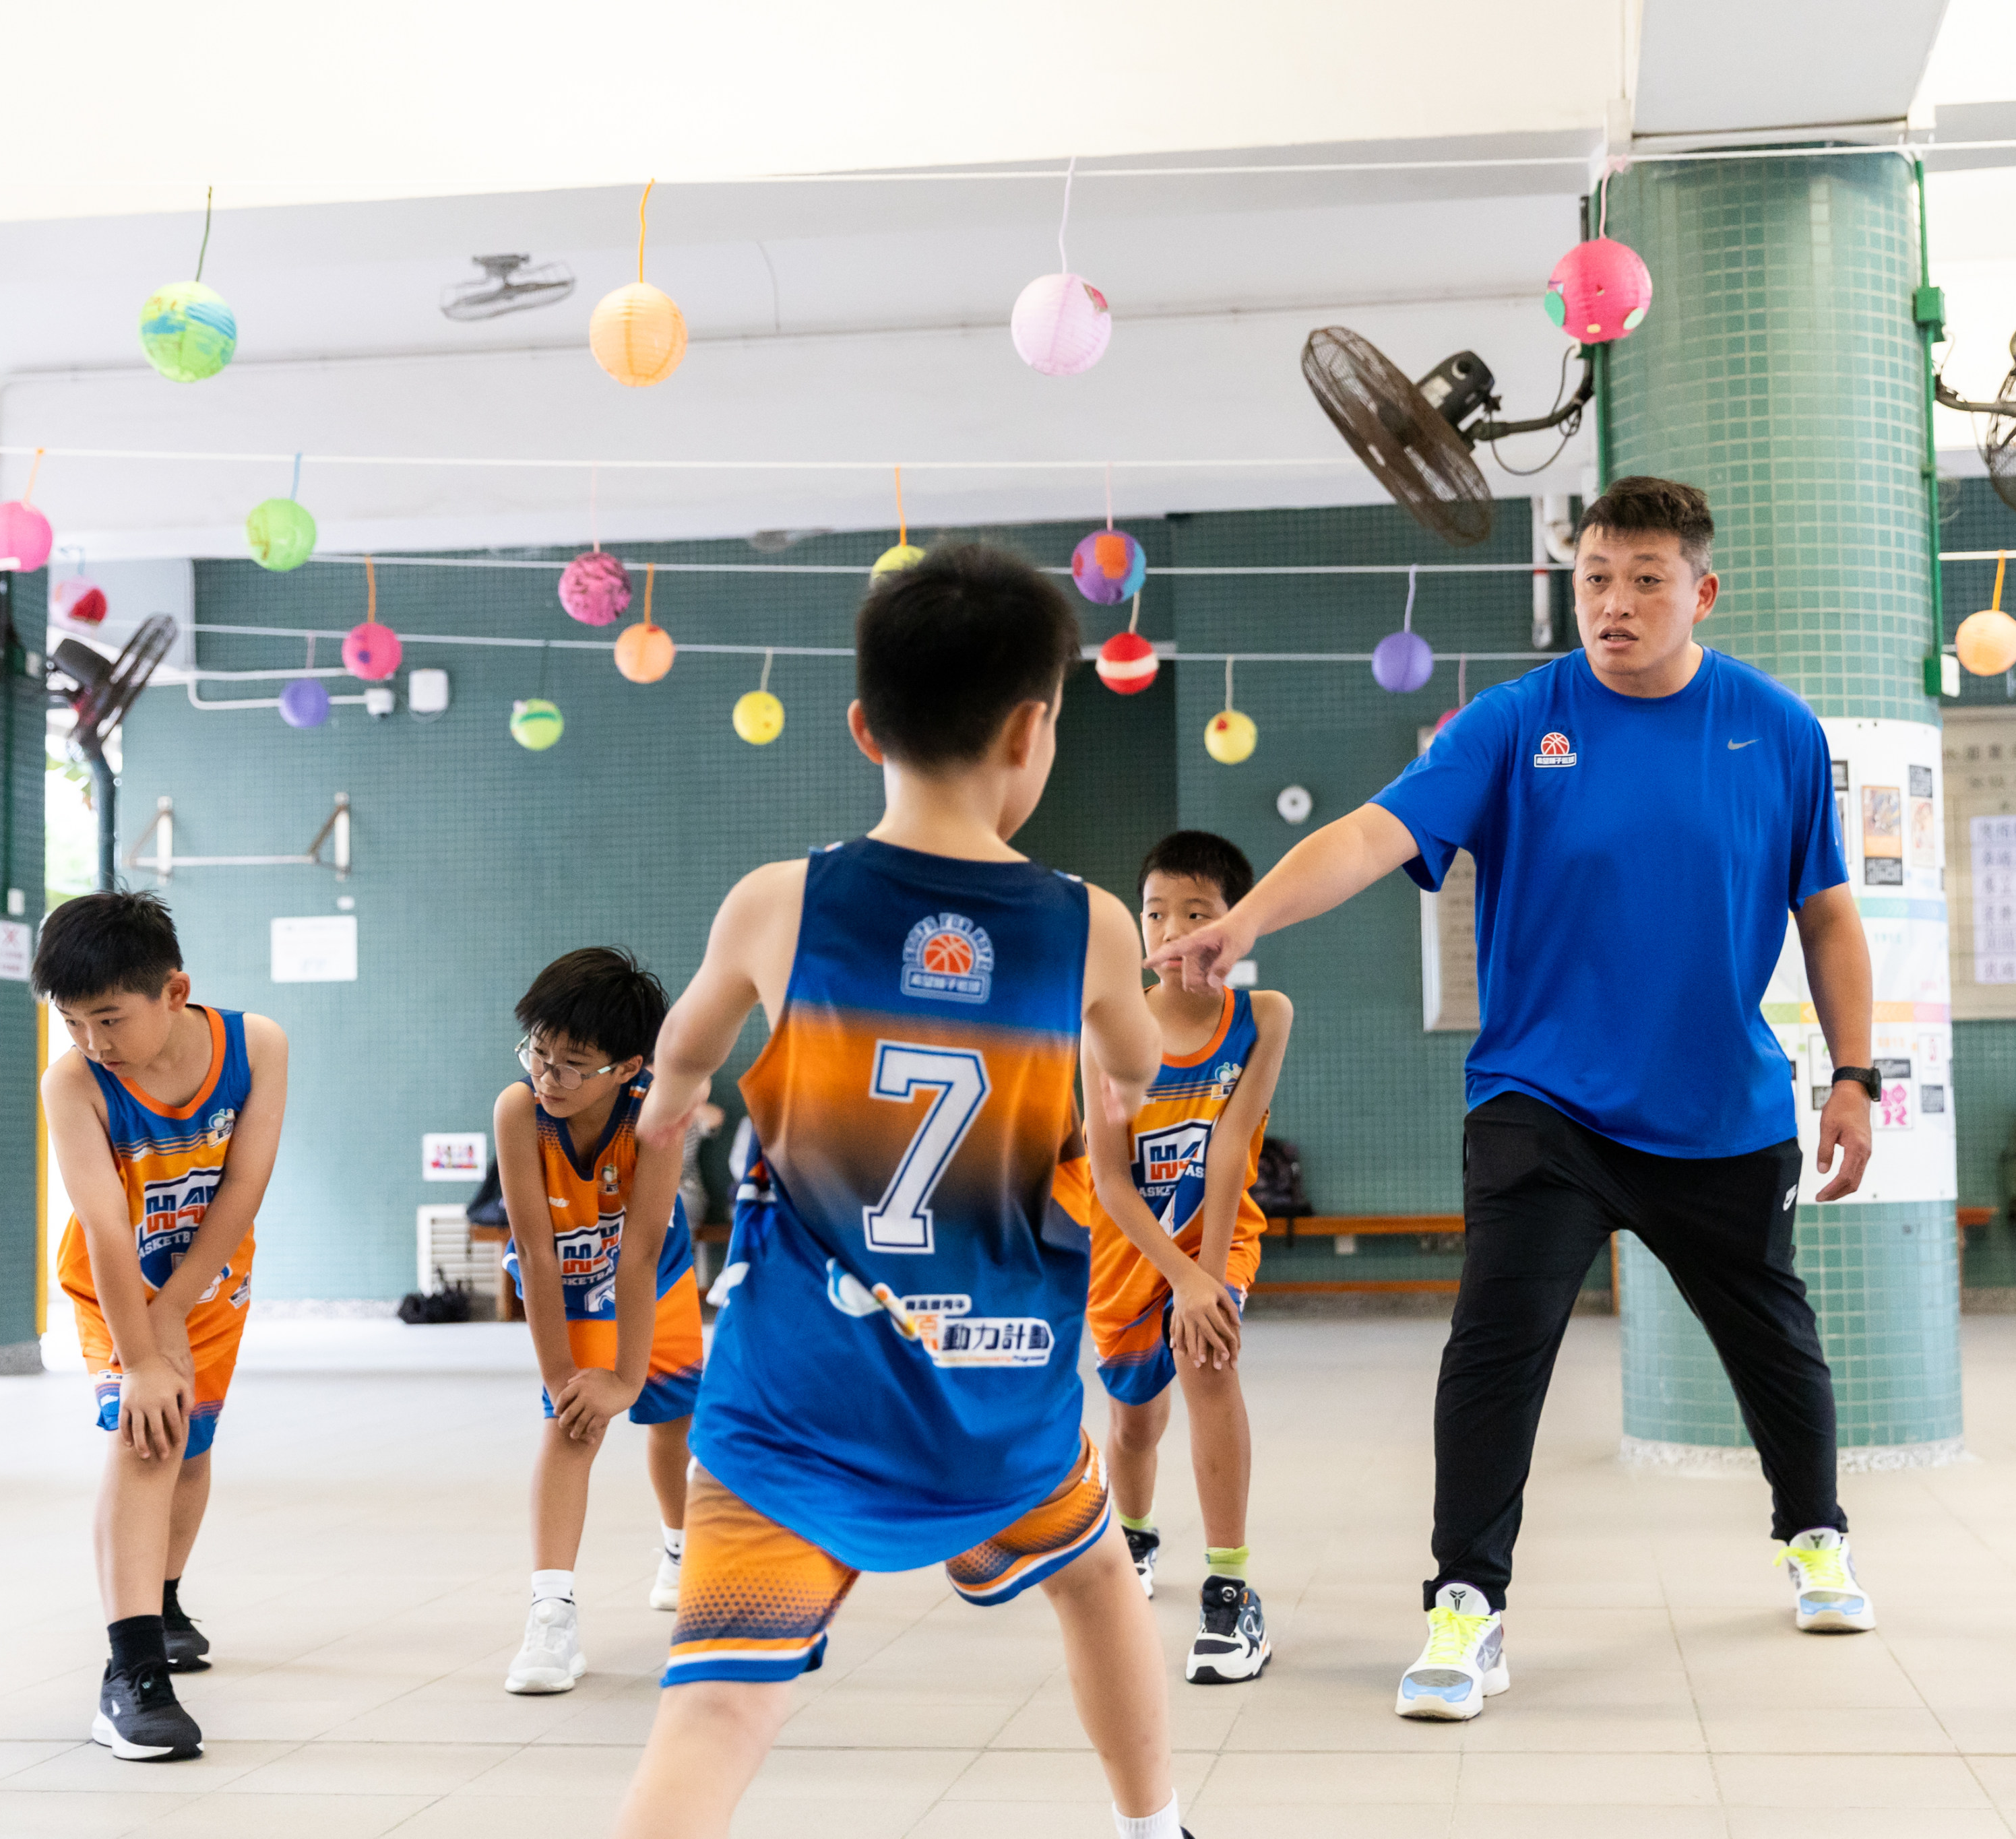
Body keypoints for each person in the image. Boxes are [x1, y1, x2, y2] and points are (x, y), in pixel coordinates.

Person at [1148, 476, 1882, 1722]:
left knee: (1774, 1347)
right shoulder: (1512, 722)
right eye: (1596, 578)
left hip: (1719, 1109)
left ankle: (1814, 1532)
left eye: (1647, 579)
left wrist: (1854, 1076)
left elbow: (1828, 915)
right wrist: (1248, 920)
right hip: (1541, 1100)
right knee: (1494, 1347)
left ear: (1700, 592)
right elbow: (1374, 835)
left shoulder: (1777, 731)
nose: (1616, 603)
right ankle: (1465, 1606)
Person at [613, 544, 1193, 1839]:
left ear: (865, 724)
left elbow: (684, 1053)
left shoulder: (780, 904)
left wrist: (671, 1105)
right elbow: (1141, 1063)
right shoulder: (1086, 923)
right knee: (1096, 1579)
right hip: (994, 1388)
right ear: (1037, 726)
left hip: (792, 1397)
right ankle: (1153, 1826)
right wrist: (1108, 1080)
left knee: (716, 1709)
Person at [40, 892, 288, 1762]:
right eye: (72, 1022)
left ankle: (163, 1594)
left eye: (108, 1018)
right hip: (113, 1286)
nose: (93, 1042)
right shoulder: (73, 1082)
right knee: (146, 1433)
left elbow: (242, 1190)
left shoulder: (256, 1045)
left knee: (192, 1445)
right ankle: (130, 1672)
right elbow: (106, 1228)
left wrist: (178, 1312)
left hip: (209, 1281)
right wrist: (142, 1351)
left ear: (173, 990)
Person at [1056, 830, 1292, 1685]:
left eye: (1197, 913)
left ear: (1235, 924)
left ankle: (1231, 1590)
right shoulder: (1109, 1029)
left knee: (1208, 1358)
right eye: (1157, 913)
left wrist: (1206, 1276)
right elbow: (1111, 1183)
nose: (1172, 930)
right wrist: (1175, 1271)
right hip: (1126, 1247)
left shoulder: (1264, 1017)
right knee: (1133, 1421)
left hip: (1217, 1234)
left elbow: (1232, 1147)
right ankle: (1138, 1533)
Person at [494, 946, 699, 1694]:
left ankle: (680, 1549)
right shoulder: (520, 1112)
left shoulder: (656, 1115)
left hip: (655, 1280)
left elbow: (641, 1253)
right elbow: (536, 1258)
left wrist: (628, 1377)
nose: (549, 1076)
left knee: (672, 1420)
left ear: (627, 1067)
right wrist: (563, 1380)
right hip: (569, 1286)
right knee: (571, 1425)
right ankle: (552, 1617)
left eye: (574, 1063)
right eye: (539, 1053)